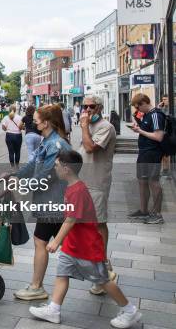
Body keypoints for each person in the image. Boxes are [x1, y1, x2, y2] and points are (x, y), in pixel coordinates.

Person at [29, 150, 142, 328]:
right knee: (62, 273)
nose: (55, 168)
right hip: (73, 246)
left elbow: (70, 219)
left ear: (66, 169)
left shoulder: (78, 191)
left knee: (102, 280)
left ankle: (130, 311)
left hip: (87, 247)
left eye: (57, 165)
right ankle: (54, 309)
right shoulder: (72, 187)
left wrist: (56, 241)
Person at [11, 104, 71, 301]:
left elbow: (47, 175)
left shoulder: (56, 145)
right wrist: (17, 176)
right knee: (63, 242)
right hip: (48, 201)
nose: (34, 121)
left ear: (46, 122)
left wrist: (22, 185)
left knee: (43, 241)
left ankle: (37, 287)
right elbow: (33, 164)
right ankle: (102, 270)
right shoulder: (47, 141)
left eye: (37, 119)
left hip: (53, 202)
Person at [78, 96, 117, 295]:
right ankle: (98, 266)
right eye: (84, 106)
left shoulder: (106, 127)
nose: (87, 110)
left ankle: (104, 267)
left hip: (97, 182)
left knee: (99, 223)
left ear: (100, 107)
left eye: (91, 106)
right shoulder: (88, 124)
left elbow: (90, 148)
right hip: (84, 181)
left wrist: (84, 126)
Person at [129, 93, 165, 224]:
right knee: (142, 181)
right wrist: (138, 127)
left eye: (138, 107)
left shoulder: (155, 115)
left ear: (144, 102)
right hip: (144, 153)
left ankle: (157, 214)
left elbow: (158, 136)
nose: (137, 110)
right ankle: (144, 210)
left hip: (152, 153)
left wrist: (140, 131)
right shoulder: (147, 115)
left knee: (153, 182)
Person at [1, 105, 24, 170]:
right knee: (17, 151)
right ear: (15, 110)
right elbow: (21, 127)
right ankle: (17, 165)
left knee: (11, 152)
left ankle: (12, 166)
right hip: (18, 135)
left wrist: (7, 129)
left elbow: (3, 128)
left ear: (9, 110)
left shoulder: (6, 117)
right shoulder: (19, 117)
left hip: (9, 135)